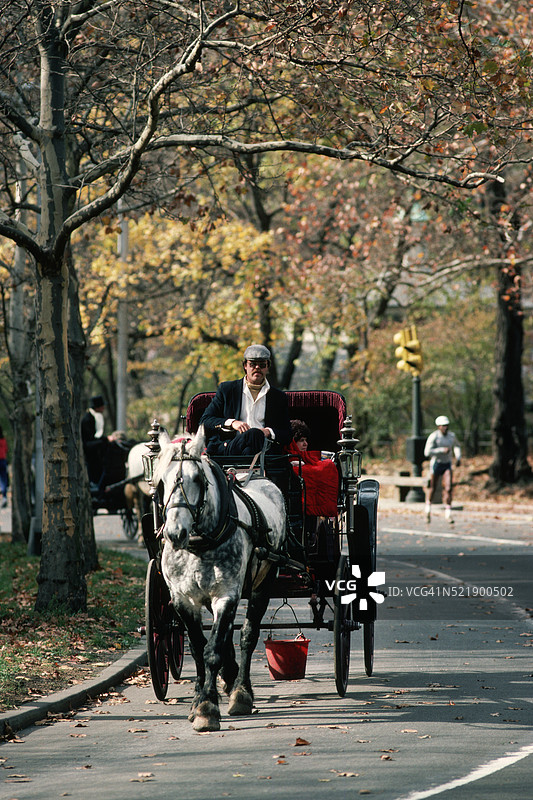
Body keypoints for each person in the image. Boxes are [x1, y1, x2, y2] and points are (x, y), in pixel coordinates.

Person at [200, 344, 291, 456]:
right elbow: (205, 420)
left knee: (254, 437)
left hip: (263, 449)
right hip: (231, 447)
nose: (257, 368)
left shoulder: (278, 397)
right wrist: (232, 423)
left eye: (262, 365)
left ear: (268, 367)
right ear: (245, 366)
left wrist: (268, 432)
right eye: (252, 364)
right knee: (253, 434)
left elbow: (287, 434)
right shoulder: (227, 390)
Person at [286, 419, 338, 517]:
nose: (306, 444)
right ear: (293, 443)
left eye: (306, 440)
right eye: (301, 440)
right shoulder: (288, 460)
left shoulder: (307, 457)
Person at [424, 415, 462, 523]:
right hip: (437, 464)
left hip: (447, 464)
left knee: (448, 487)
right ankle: (428, 509)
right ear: (438, 426)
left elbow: (457, 446)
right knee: (433, 487)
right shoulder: (434, 436)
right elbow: (427, 452)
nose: (445, 428)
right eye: (443, 426)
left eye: (447, 425)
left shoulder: (451, 436)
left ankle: (448, 513)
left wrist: (458, 457)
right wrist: (441, 450)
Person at [0, 426, 8, 508]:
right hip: (3, 460)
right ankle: (4, 497)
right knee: (3, 479)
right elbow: (6, 449)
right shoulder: (3, 440)